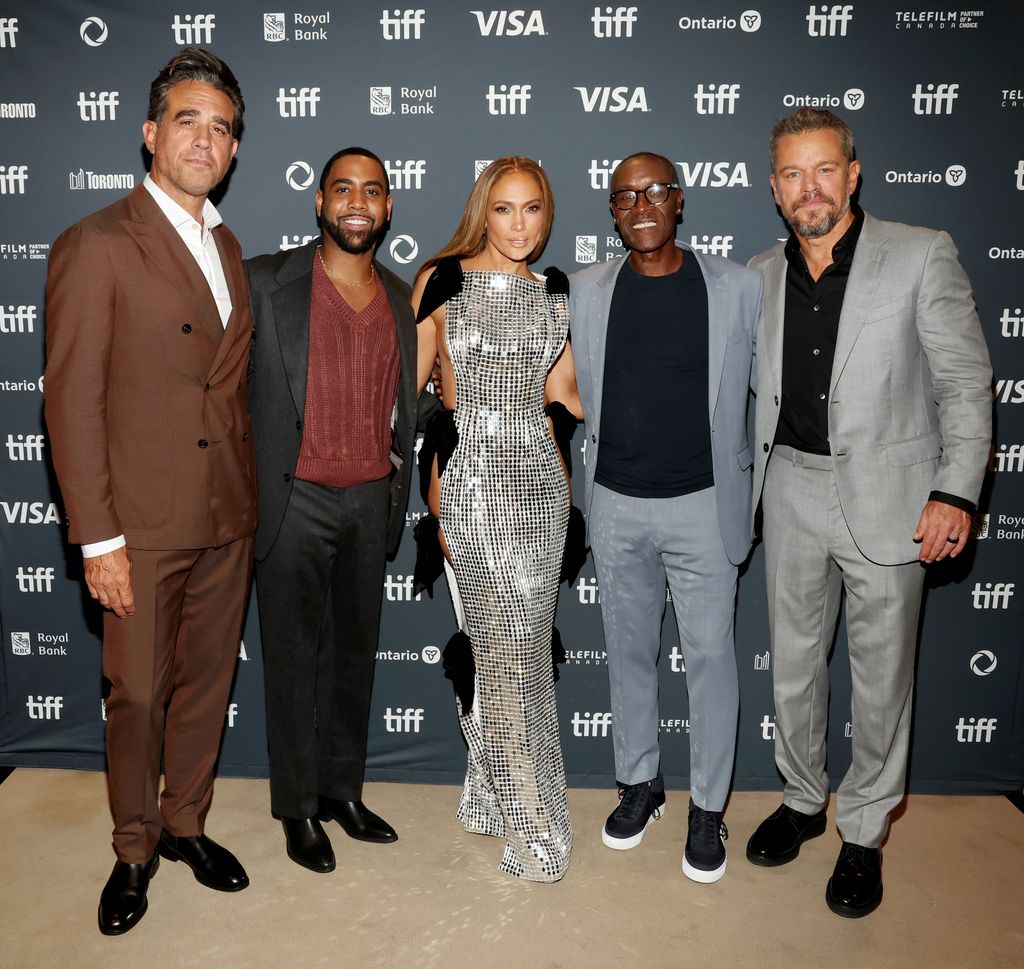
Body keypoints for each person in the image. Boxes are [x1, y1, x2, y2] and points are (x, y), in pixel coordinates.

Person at [745, 107, 992, 917]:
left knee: (882, 681)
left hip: (895, 496)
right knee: (793, 666)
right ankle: (803, 797)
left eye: (824, 170)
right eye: (792, 174)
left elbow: (963, 382)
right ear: (774, 186)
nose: (808, 188)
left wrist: (956, 490)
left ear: (853, 175)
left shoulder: (921, 254)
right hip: (790, 486)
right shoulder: (759, 274)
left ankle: (863, 832)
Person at [44, 48, 254, 935]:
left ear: (235, 150)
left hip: (226, 514)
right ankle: (133, 848)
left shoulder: (229, 244)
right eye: (188, 120)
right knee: (136, 695)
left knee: (205, 687)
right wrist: (97, 539)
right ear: (149, 134)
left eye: (222, 127)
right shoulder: (95, 243)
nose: (205, 138)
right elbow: (71, 397)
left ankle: (185, 824)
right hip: (140, 524)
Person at [569, 153, 762, 883]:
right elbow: (565, 385)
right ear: (612, 211)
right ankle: (640, 783)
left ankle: (708, 807)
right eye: (624, 195)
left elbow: (769, 391)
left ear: (679, 200)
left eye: (653, 191)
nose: (640, 204)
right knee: (630, 653)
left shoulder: (738, 287)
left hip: (704, 506)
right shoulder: (586, 289)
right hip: (616, 503)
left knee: (711, 659)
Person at [245, 148, 417, 873]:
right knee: (291, 660)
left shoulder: (403, 298)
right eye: (342, 188)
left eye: (371, 190)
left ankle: (343, 789)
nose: (357, 201)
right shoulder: (265, 280)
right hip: (293, 500)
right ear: (318, 201)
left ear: (387, 208)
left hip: (370, 497)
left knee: (353, 656)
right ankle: (298, 807)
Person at [412, 157, 579, 882]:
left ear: (547, 214)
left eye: (532, 209)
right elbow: (416, 398)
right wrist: (435, 495)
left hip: (542, 490)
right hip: (472, 486)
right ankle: (541, 833)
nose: (519, 224)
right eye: (504, 209)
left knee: (523, 654)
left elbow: (564, 400)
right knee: (504, 660)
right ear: (483, 209)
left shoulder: (554, 293)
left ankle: (488, 796)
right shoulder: (441, 281)